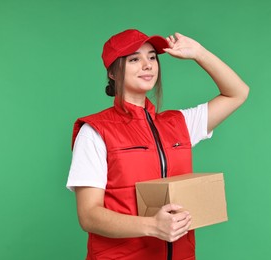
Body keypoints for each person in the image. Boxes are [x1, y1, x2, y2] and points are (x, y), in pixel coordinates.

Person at [67, 29, 249, 260]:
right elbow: (89, 215)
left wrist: (199, 53)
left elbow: (237, 93)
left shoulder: (179, 123)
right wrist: (153, 226)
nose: (148, 65)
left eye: (152, 57)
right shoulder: (95, 131)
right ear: (113, 72)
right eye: (134, 59)